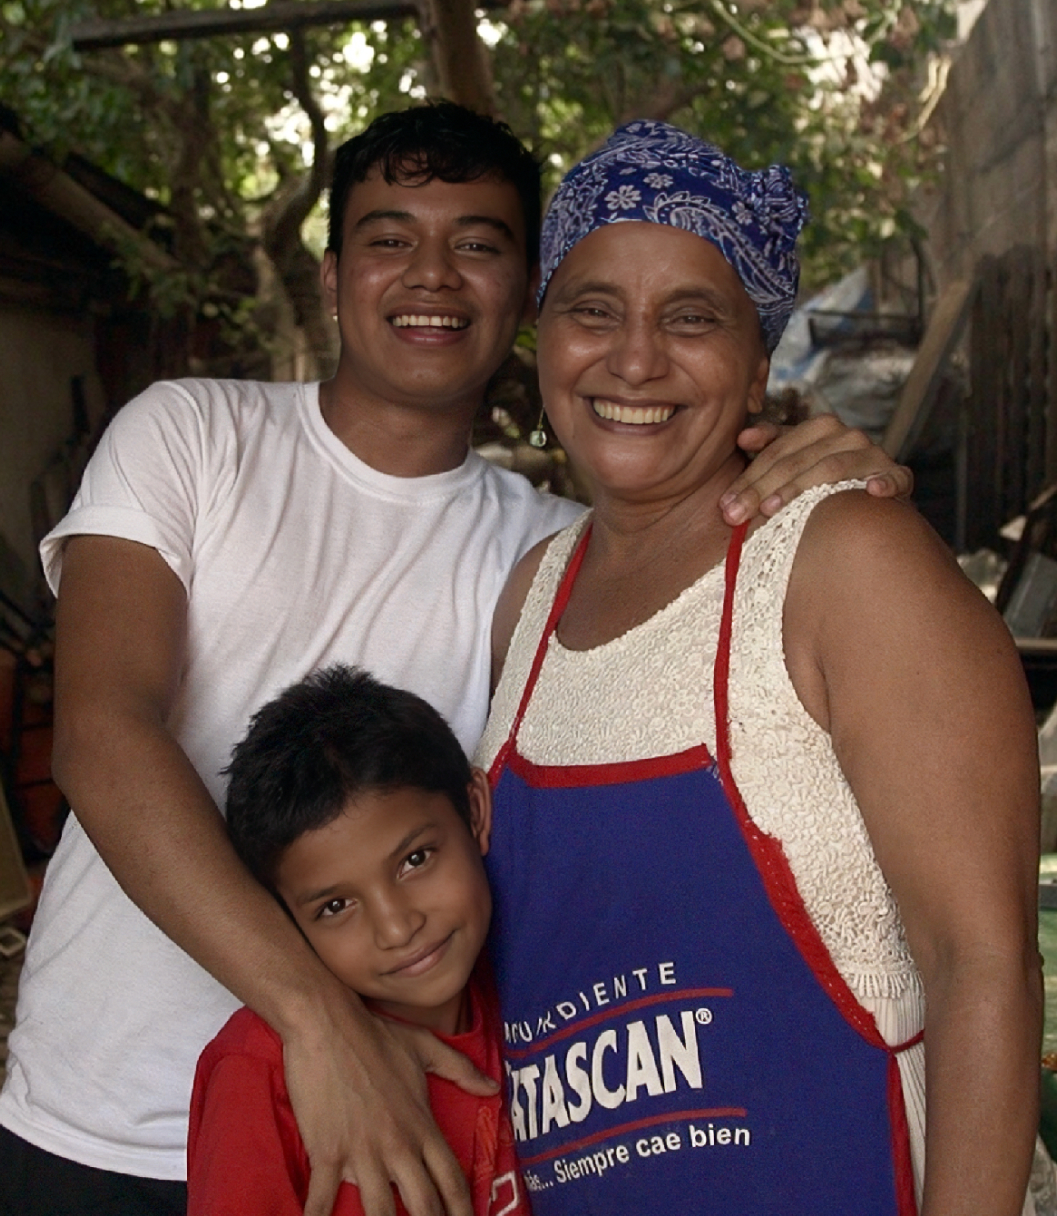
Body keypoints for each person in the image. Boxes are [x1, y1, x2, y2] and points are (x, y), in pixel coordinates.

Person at [0, 102, 912, 1216]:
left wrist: (828, 470)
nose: (431, 276)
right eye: (390, 237)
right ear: (334, 274)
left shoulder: (550, 560)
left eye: (477, 244)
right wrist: (322, 1026)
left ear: (524, 297)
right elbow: (101, 736)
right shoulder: (189, 434)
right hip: (100, 1119)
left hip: (396, 1152)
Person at [479, 119, 1042, 1216]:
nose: (634, 357)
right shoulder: (531, 596)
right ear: (542, 336)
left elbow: (985, 963)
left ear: (757, 362)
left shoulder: (842, 562)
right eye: (594, 309)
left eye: (691, 317)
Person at [188, 664, 523, 1216]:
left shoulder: (532, 989)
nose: (396, 927)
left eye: (415, 860)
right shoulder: (262, 1071)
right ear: (283, 919)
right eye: (336, 906)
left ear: (476, 812)